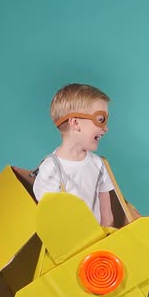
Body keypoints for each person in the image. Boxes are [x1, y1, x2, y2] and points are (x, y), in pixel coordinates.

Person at [33, 83, 115, 227]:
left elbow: (107, 215)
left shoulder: (99, 165)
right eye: (100, 120)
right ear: (75, 123)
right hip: (65, 245)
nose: (106, 128)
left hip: (96, 244)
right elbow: (49, 221)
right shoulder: (51, 169)